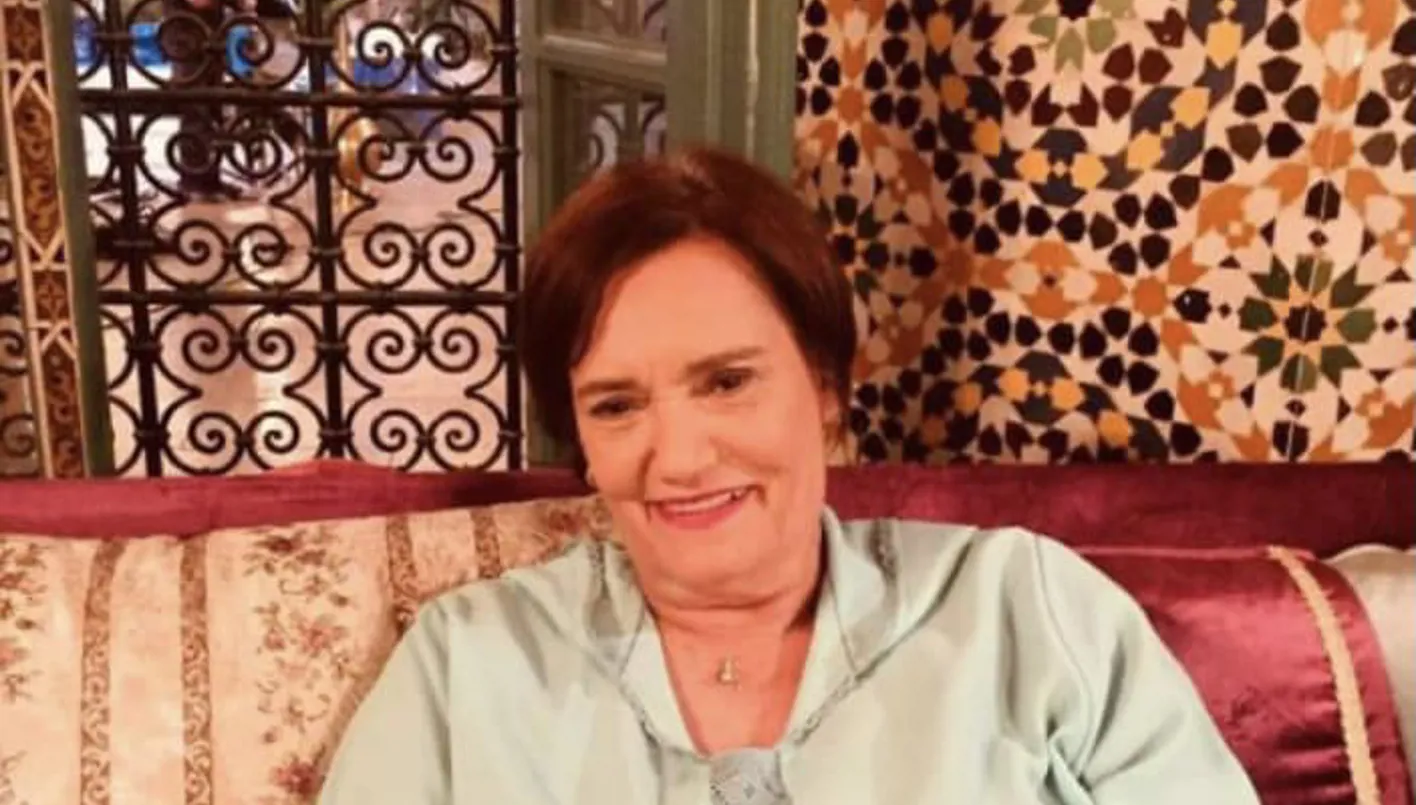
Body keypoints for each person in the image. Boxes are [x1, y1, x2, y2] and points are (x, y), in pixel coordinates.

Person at [317, 147, 1261, 804]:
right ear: (582, 446)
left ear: (826, 390)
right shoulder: (469, 662)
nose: (679, 457)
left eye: (727, 382)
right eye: (616, 405)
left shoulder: (1027, 611)